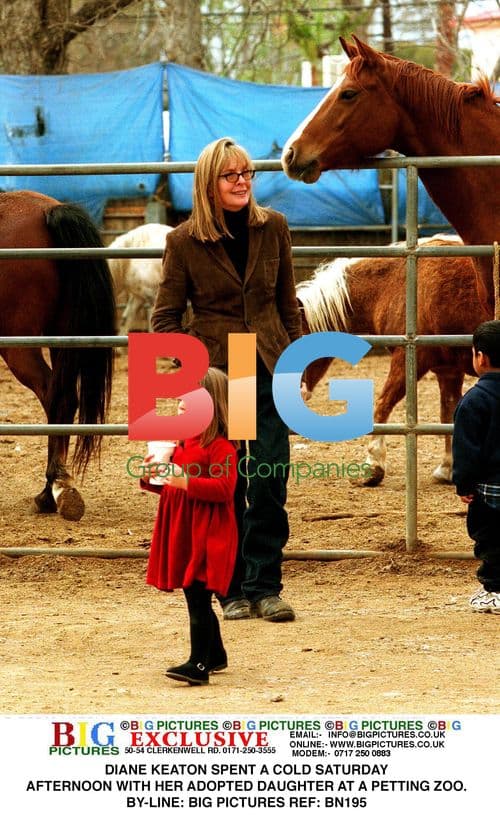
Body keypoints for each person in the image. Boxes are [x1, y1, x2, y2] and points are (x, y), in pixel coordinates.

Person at [152, 137, 302, 623]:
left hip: (270, 366)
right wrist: (197, 374)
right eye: (231, 175)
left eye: (247, 173)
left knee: (270, 479)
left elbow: (288, 305)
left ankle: (266, 586)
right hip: (219, 375)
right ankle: (231, 587)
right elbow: (164, 319)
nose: (242, 182)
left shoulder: (273, 226)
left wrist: (296, 366)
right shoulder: (183, 241)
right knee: (229, 483)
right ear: (208, 183)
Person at [142, 367, 239, 685]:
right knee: (194, 592)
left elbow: (225, 489)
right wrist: (153, 476)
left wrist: (184, 481)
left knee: (197, 596)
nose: (181, 404)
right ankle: (216, 654)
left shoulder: (222, 447)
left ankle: (198, 664)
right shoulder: (182, 443)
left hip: (207, 532)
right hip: (183, 527)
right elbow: (172, 485)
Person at [452, 320, 500, 614]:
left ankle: (494, 591)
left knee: (491, 541)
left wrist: (464, 484)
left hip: (490, 492)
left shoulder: (473, 401)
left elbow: (466, 450)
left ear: (480, 357)